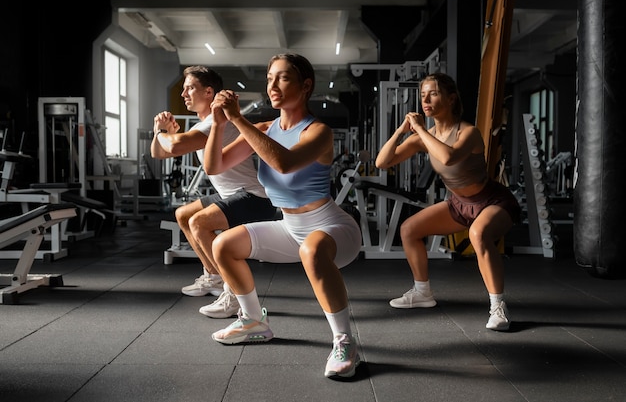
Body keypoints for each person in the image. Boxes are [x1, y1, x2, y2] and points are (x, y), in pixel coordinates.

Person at [204, 53, 362, 379]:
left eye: (283, 78)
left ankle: (344, 341)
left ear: (305, 86)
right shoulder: (263, 128)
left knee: (313, 250)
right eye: (269, 78)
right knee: (224, 246)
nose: (272, 85)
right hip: (290, 228)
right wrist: (219, 125)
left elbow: (285, 163)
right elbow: (213, 166)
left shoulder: (318, 131)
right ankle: (254, 322)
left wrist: (237, 120)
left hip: (331, 227)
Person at [375, 72, 521, 332]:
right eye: (422, 95)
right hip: (459, 203)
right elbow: (382, 162)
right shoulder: (423, 136)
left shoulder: (469, 132)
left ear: (451, 99)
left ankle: (498, 307)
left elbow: (448, 158)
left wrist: (419, 129)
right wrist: (402, 130)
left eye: (433, 93)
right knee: (409, 229)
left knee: (479, 234)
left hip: (491, 201)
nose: (426, 100)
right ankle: (422, 293)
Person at [151, 66, 277, 318]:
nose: (184, 93)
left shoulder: (215, 123)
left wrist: (165, 132)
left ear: (209, 92)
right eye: (184, 88)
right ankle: (214, 276)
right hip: (232, 193)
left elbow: (173, 146)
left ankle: (233, 294)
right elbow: (159, 152)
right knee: (184, 214)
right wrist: (160, 132)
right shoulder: (204, 123)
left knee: (199, 222)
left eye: (190, 88)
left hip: (254, 196)